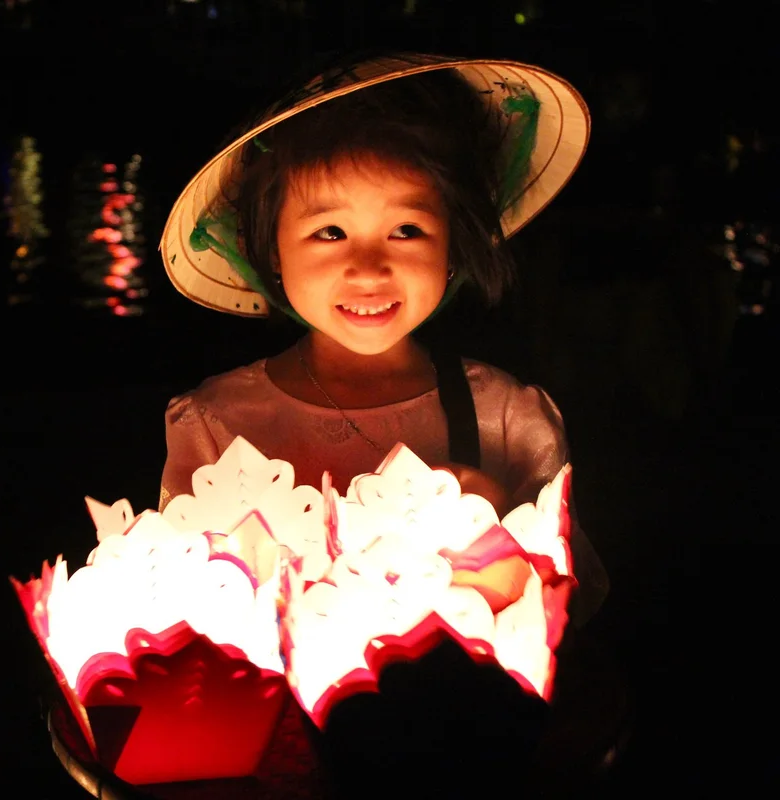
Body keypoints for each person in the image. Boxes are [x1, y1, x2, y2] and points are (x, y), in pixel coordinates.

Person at [157, 54, 608, 626]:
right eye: (329, 232)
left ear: (453, 241)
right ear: (272, 251)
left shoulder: (508, 419)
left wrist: (496, 526)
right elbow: (174, 606)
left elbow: (576, 605)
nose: (368, 269)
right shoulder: (215, 424)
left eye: (406, 230)